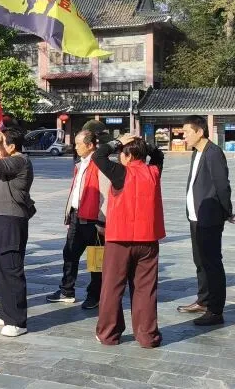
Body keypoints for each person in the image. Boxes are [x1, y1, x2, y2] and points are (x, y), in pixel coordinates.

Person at [93, 134, 165, 348]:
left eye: (121, 153)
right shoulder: (153, 172)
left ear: (129, 155)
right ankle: (147, 336)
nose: (119, 157)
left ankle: (109, 333)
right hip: (148, 240)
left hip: (119, 240)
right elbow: (158, 155)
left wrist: (118, 141)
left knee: (112, 287)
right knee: (146, 289)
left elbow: (98, 155)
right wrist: (142, 145)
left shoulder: (120, 172)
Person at [178, 115, 234, 326]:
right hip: (196, 217)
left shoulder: (213, 153)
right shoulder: (197, 152)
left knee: (212, 264)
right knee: (200, 262)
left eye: (186, 132)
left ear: (199, 131)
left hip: (209, 218)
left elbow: (222, 185)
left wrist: (226, 211)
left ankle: (215, 311)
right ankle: (203, 301)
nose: (183, 136)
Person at [47, 129, 110, 310]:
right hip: (77, 215)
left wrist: (102, 221)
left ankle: (95, 295)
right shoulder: (80, 164)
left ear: (90, 145)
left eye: (78, 144)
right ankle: (67, 290)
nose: (75, 147)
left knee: (95, 260)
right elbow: (76, 191)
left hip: (93, 220)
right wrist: (69, 214)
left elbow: (106, 195)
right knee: (69, 254)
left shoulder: (100, 165)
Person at [0, 127, 34, 337]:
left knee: (11, 268)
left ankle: (17, 321)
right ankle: (6, 313)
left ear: (11, 147)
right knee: (1, 268)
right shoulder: (7, 161)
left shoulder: (19, 160)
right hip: (0, 218)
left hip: (11, 219)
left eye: (1, 144)